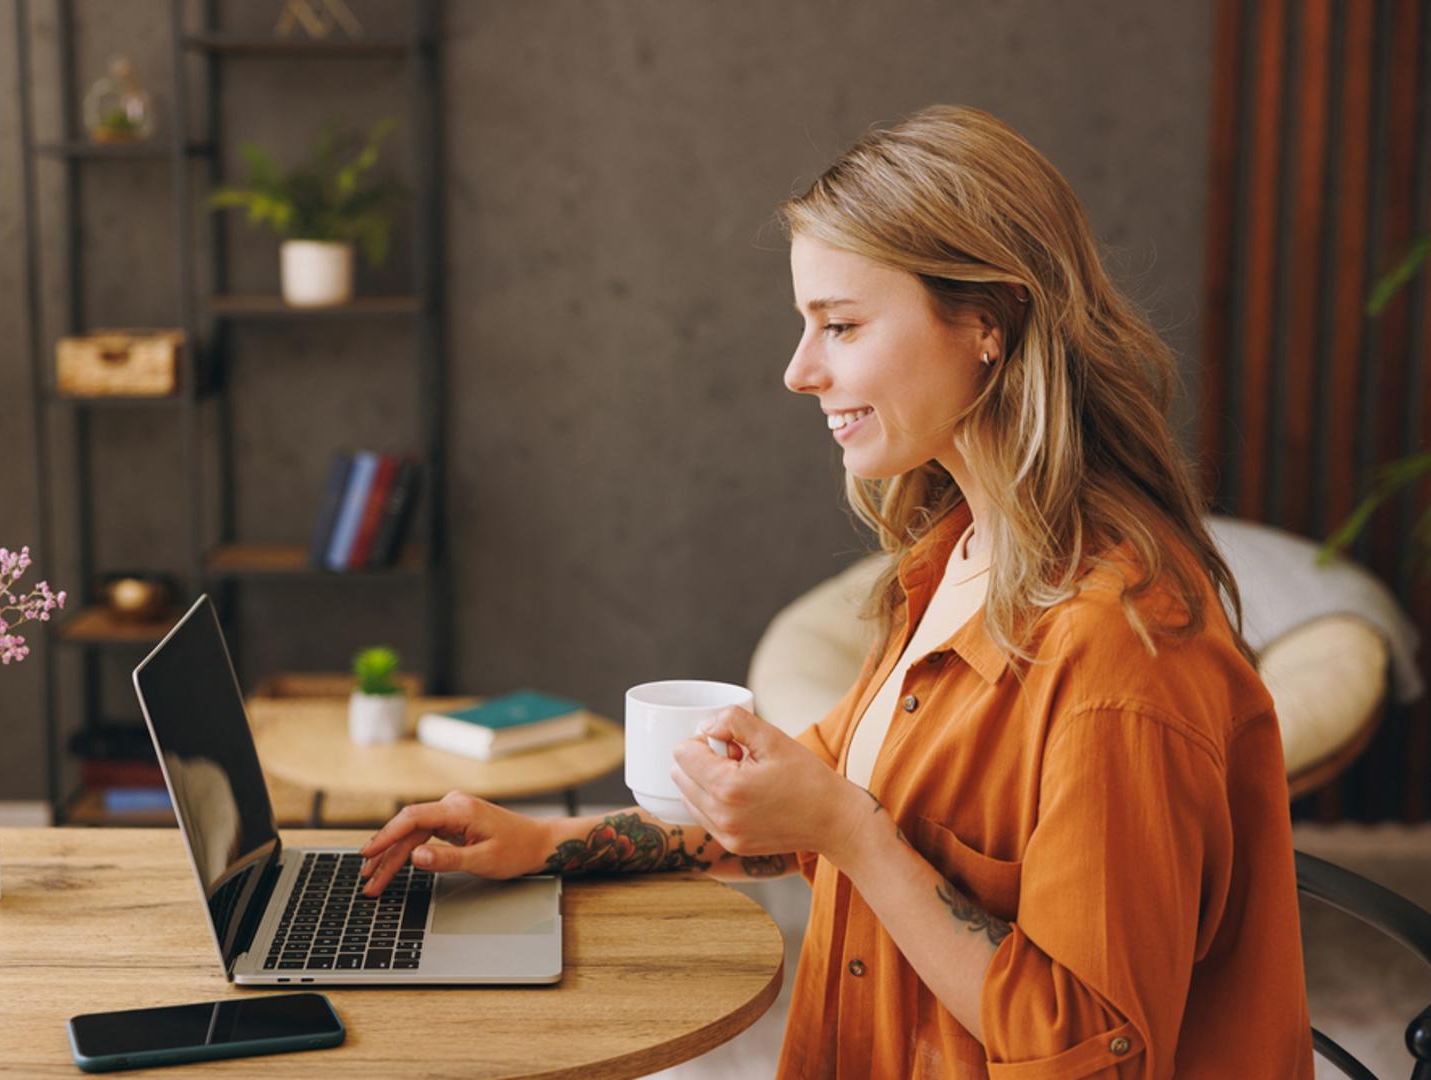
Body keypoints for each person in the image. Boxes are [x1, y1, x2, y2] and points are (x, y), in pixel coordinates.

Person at [355, 104, 1314, 1078]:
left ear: (989, 321)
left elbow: (1088, 1052)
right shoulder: (953, 558)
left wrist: (849, 833)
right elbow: (813, 808)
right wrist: (543, 844)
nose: (798, 372)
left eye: (841, 326)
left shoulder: (1115, 650)